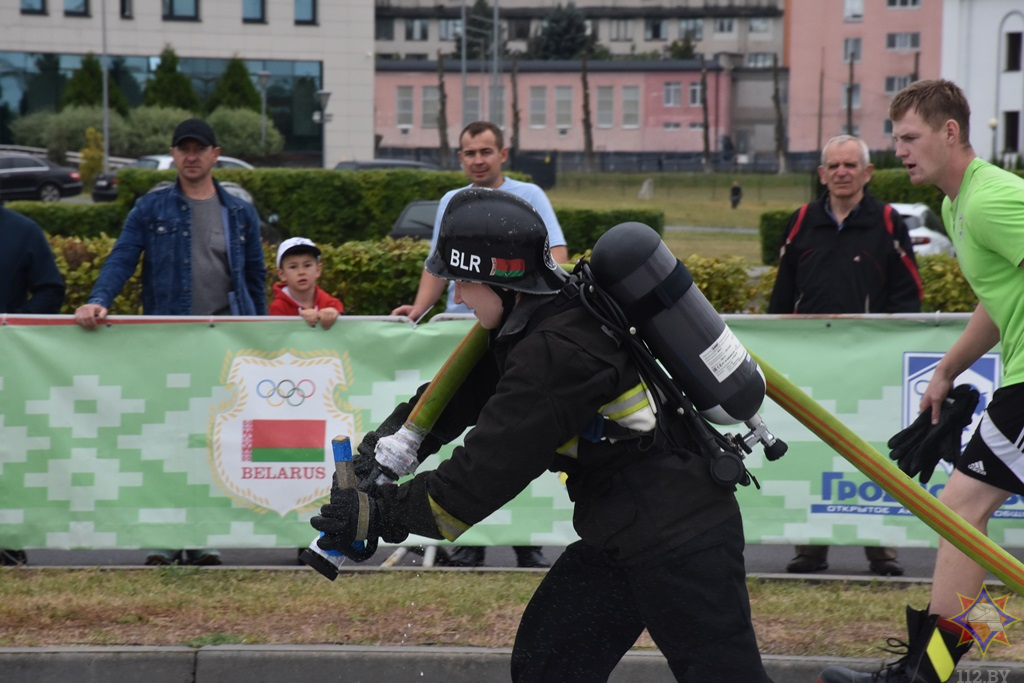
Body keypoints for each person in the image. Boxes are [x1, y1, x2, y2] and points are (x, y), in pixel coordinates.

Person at [312, 188, 775, 681]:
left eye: (464, 283)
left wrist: (377, 514)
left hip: (681, 539)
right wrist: (385, 448)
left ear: (499, 282)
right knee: (549, 666)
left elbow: (473, 484)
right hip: (621, 533)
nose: (460, 296)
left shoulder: (556, 353)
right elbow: (459, 393)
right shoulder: (542, 316)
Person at [819, 79, 1024, 683]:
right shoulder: (956, 206)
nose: (900, 150)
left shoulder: (989, 199)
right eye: (897, 139)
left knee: (962, 507)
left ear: (950, 132)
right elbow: (999, 299)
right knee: (967, 515)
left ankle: (926, 672)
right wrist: (947, 370)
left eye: (910, 137)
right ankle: (935, 665)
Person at [74, 117, 267, 567]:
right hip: (164, 344)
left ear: (216, 154)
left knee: (215, 442)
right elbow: (122, 257)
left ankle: (203, 537)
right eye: (184, 148)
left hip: (224, 345)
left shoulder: (240, 212)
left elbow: (254, 280)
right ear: (174, 154)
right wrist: (98, 300)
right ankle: (163, 536)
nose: (192, 156)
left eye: (200, 148)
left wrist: (261, 337)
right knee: (163, 441)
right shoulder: (150, 208)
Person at [391, 120, 568, 569]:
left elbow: (556, 261)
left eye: (485, 151)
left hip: (512, 331)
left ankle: (524, 540)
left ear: (503, 154)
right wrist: (419, 308)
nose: (477, 160)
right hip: (470, 330)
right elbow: (439, 265)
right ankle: (468, 542)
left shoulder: (532, 197)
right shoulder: (455, 201)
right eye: (469, 153)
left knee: (514, 439)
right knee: (472, 431)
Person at [770, 134, 922, 578]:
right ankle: (810, 548)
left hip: (870, 366)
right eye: (833, 166)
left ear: (867, 173)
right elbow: (781, 298)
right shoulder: (800, 222)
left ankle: (882, 551)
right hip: (810, 368)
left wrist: (895, 348)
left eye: (850, 165)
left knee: (874, 452)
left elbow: (908, 298)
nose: (841, 172)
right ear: (821, 174)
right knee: (813, 453)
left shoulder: (890, 223)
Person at [0, 205, 66, 566]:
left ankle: (8, 539)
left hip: (6, 365)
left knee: (5, 455)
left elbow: (50, 290)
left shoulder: (24, 231)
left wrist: (10, 324)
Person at [270, 237, 344, 330]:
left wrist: (334, 313)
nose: (301, 272)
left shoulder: (331, 303)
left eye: (307, 265)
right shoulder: (278, 307)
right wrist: (299, 320)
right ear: (282, 274)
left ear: (318, 270)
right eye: (293, 267)